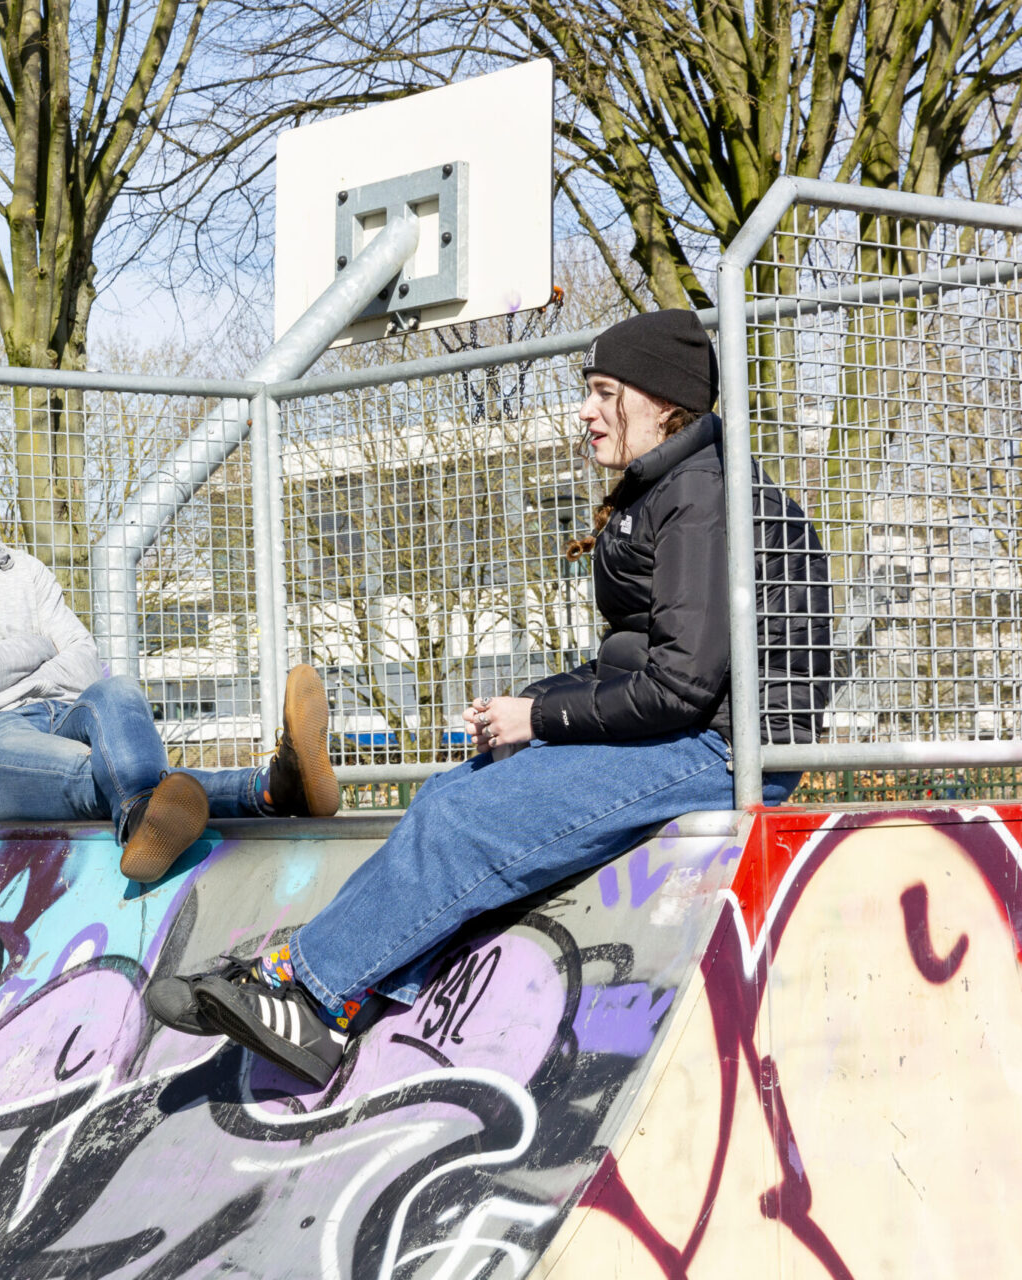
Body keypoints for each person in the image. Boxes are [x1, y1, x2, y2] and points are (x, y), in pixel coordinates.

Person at [156, 310, 830, 1086]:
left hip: (728, 747)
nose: (585, 411)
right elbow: (640, 660)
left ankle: (310, 991)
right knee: (454, 793)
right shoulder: (667, 489)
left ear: (664, 403)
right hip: (689, 732)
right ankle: (336, 991)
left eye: (604, 392)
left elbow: (680, 685)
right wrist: (535, 702)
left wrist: (542, 718)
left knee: (463, 818)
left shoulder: (701, 495)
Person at [0, 419, 341, 883]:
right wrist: (40, 649)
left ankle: (168, 814)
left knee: (118, 691)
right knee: (99, 775)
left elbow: (84, 663)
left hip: (56, 714)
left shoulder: (20, 569)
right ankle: (268, 787)